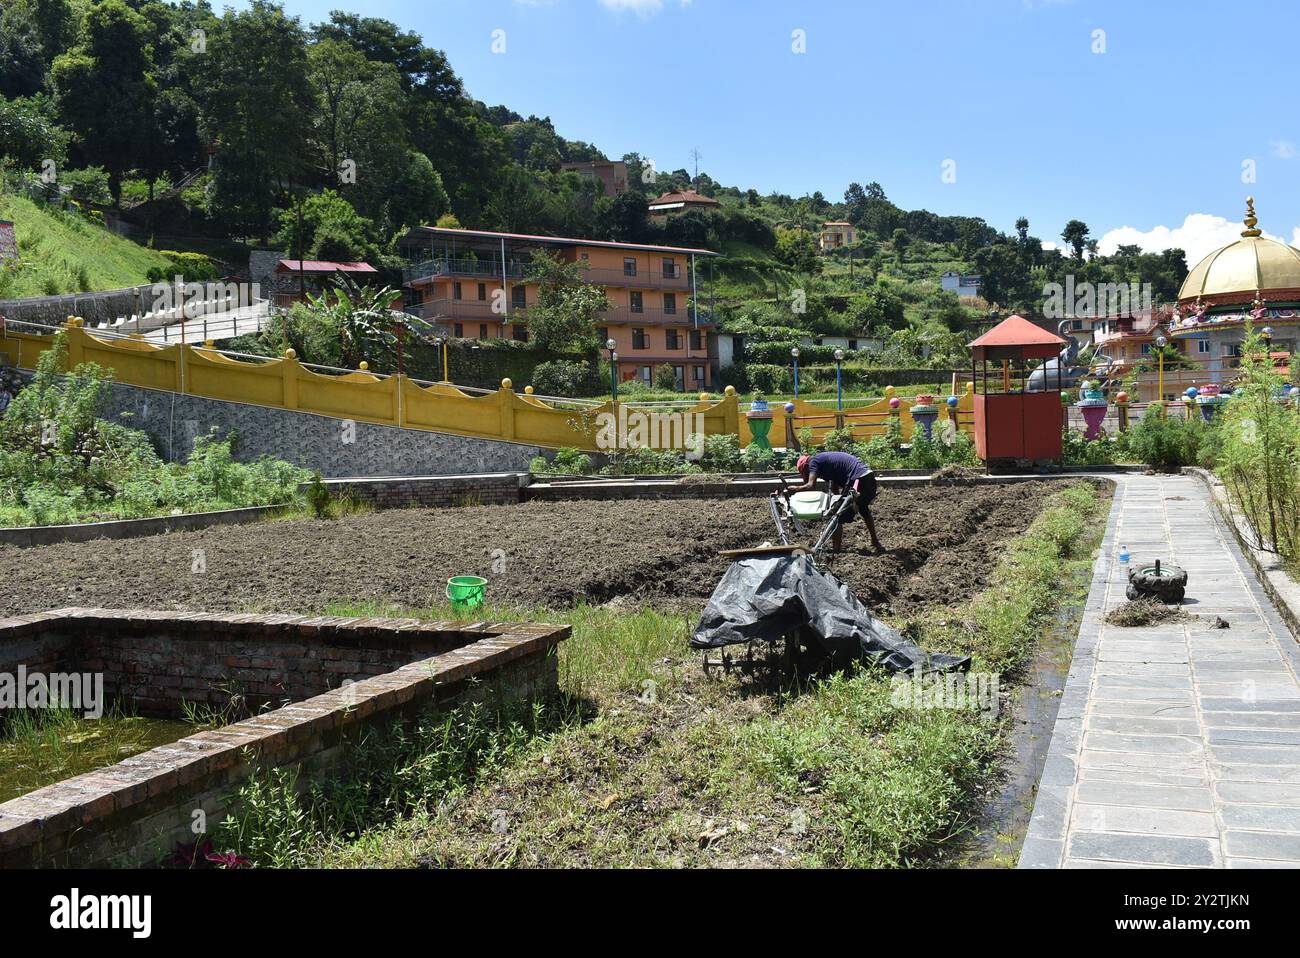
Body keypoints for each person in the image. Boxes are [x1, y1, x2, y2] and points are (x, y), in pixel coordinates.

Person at [783, 450, 883, 553]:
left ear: (806, 467)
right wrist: (836, 501)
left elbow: (810, 485)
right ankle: (875, 541)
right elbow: (834, 484)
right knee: (864, 510)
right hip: (868, 477)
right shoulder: (824, 462)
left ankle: (836, 550)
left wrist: (795, 489)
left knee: (836, 516)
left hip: (857, 479)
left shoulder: (813, 462)